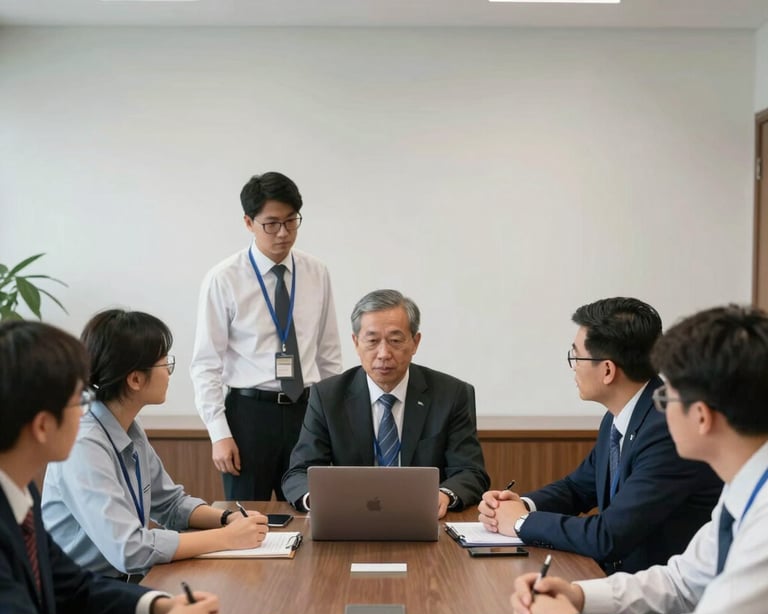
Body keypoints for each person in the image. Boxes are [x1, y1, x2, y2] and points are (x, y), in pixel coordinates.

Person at [511, 305, 768, 614]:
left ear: (702, 417)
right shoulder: (745, 487)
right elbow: (682, 581)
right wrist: (579, 594)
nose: (659, 407)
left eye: (668, 397)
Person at [0, 320, 221, 614]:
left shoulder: (19, 489)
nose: (86, 411)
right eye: (78, 400)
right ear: (42, 426)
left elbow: (73, 586)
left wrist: (158, 606)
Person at [479, 297, 722, 573]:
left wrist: (521, 522)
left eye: (576, 356)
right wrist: (522, 505)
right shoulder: (620, 416)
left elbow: (608, 536)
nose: (573, 366)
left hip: (659, 588)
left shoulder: (666, 430)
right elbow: (577, 488)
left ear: (607, 370)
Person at [42, 310, 269, 580]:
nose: (169, 373)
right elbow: (130, 550)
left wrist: (226, 519)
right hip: (78, 595)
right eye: (165, 363)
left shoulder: (130, 428)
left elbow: (171, 504)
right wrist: (226, 538)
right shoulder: (83, 445)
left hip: (120, 582)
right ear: (135, 379)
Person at [191, 171, 343, 501]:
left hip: (306, 411)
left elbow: (329, 355)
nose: (283, 233)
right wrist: (219, 433)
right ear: (248, 222)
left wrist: (333, 421)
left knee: (312, 511)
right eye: (271, 224)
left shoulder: (316, 272)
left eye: (291, 221)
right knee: (247, 517)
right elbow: (205, 364)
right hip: (249, 415)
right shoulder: (224, 278)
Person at [282, 289, 489, 517]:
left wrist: (444, 495)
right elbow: (299, 473)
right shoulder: (327, 396)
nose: (383, 353)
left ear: (415, 343)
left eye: (395, 341)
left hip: (423, 517)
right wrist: (318, 500)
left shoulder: (451, 395)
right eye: (372, 341)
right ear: (356, 343)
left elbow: (470, 472)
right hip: (351, 518)